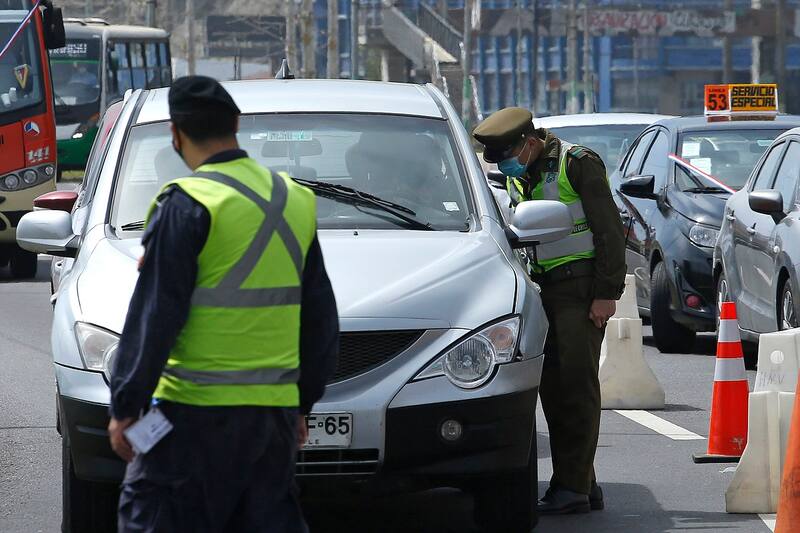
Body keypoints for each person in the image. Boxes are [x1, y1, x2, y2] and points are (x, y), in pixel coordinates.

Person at [107, 75, 339, 532]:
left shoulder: (186, 204)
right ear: (236, 124)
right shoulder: (294, 200)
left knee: (149, 517)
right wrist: (301, 405)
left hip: (191, 417)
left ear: (175, 134)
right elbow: (320, 320)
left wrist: (125, 406)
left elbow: (155, 316)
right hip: (271, 421)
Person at [473, 107, 626, 515]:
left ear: (530, 142)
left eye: (509, 155)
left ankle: (572, 488)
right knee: (554, 391)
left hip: (580, 289)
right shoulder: (520, 171)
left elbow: (610, 230)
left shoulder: (577, 163)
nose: (505, 165)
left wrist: (606, 293)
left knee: (574, 389)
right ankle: (582, 482)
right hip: (544, 291)